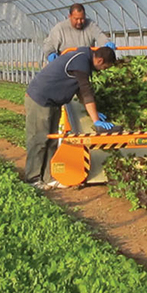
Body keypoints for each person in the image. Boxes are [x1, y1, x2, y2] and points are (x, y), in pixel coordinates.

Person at [24, 46, 118, 188]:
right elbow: (86, 93)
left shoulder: (84, 58)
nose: (103, 70)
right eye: (105, 67)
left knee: (52, 140)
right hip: (40, 99)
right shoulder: (80, 62)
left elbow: (80, 91)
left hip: (53, 101)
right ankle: (33, 178)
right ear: (99, 60)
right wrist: (96, 121)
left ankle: (49, 177)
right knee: (39, 139)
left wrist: (94, 113)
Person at [40, 3, 113, 133]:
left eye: (82, 18)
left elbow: (100, 36)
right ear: (70, 17)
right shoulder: (60, 29)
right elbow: (48, 44)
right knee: (68, 105)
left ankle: (89, 115)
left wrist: (107, 44)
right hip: (66, 73)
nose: (80, 22)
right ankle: (68, 127)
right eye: (76, 19)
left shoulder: (90, 26)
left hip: (83, 70)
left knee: (85, 91)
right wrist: (51, 54)